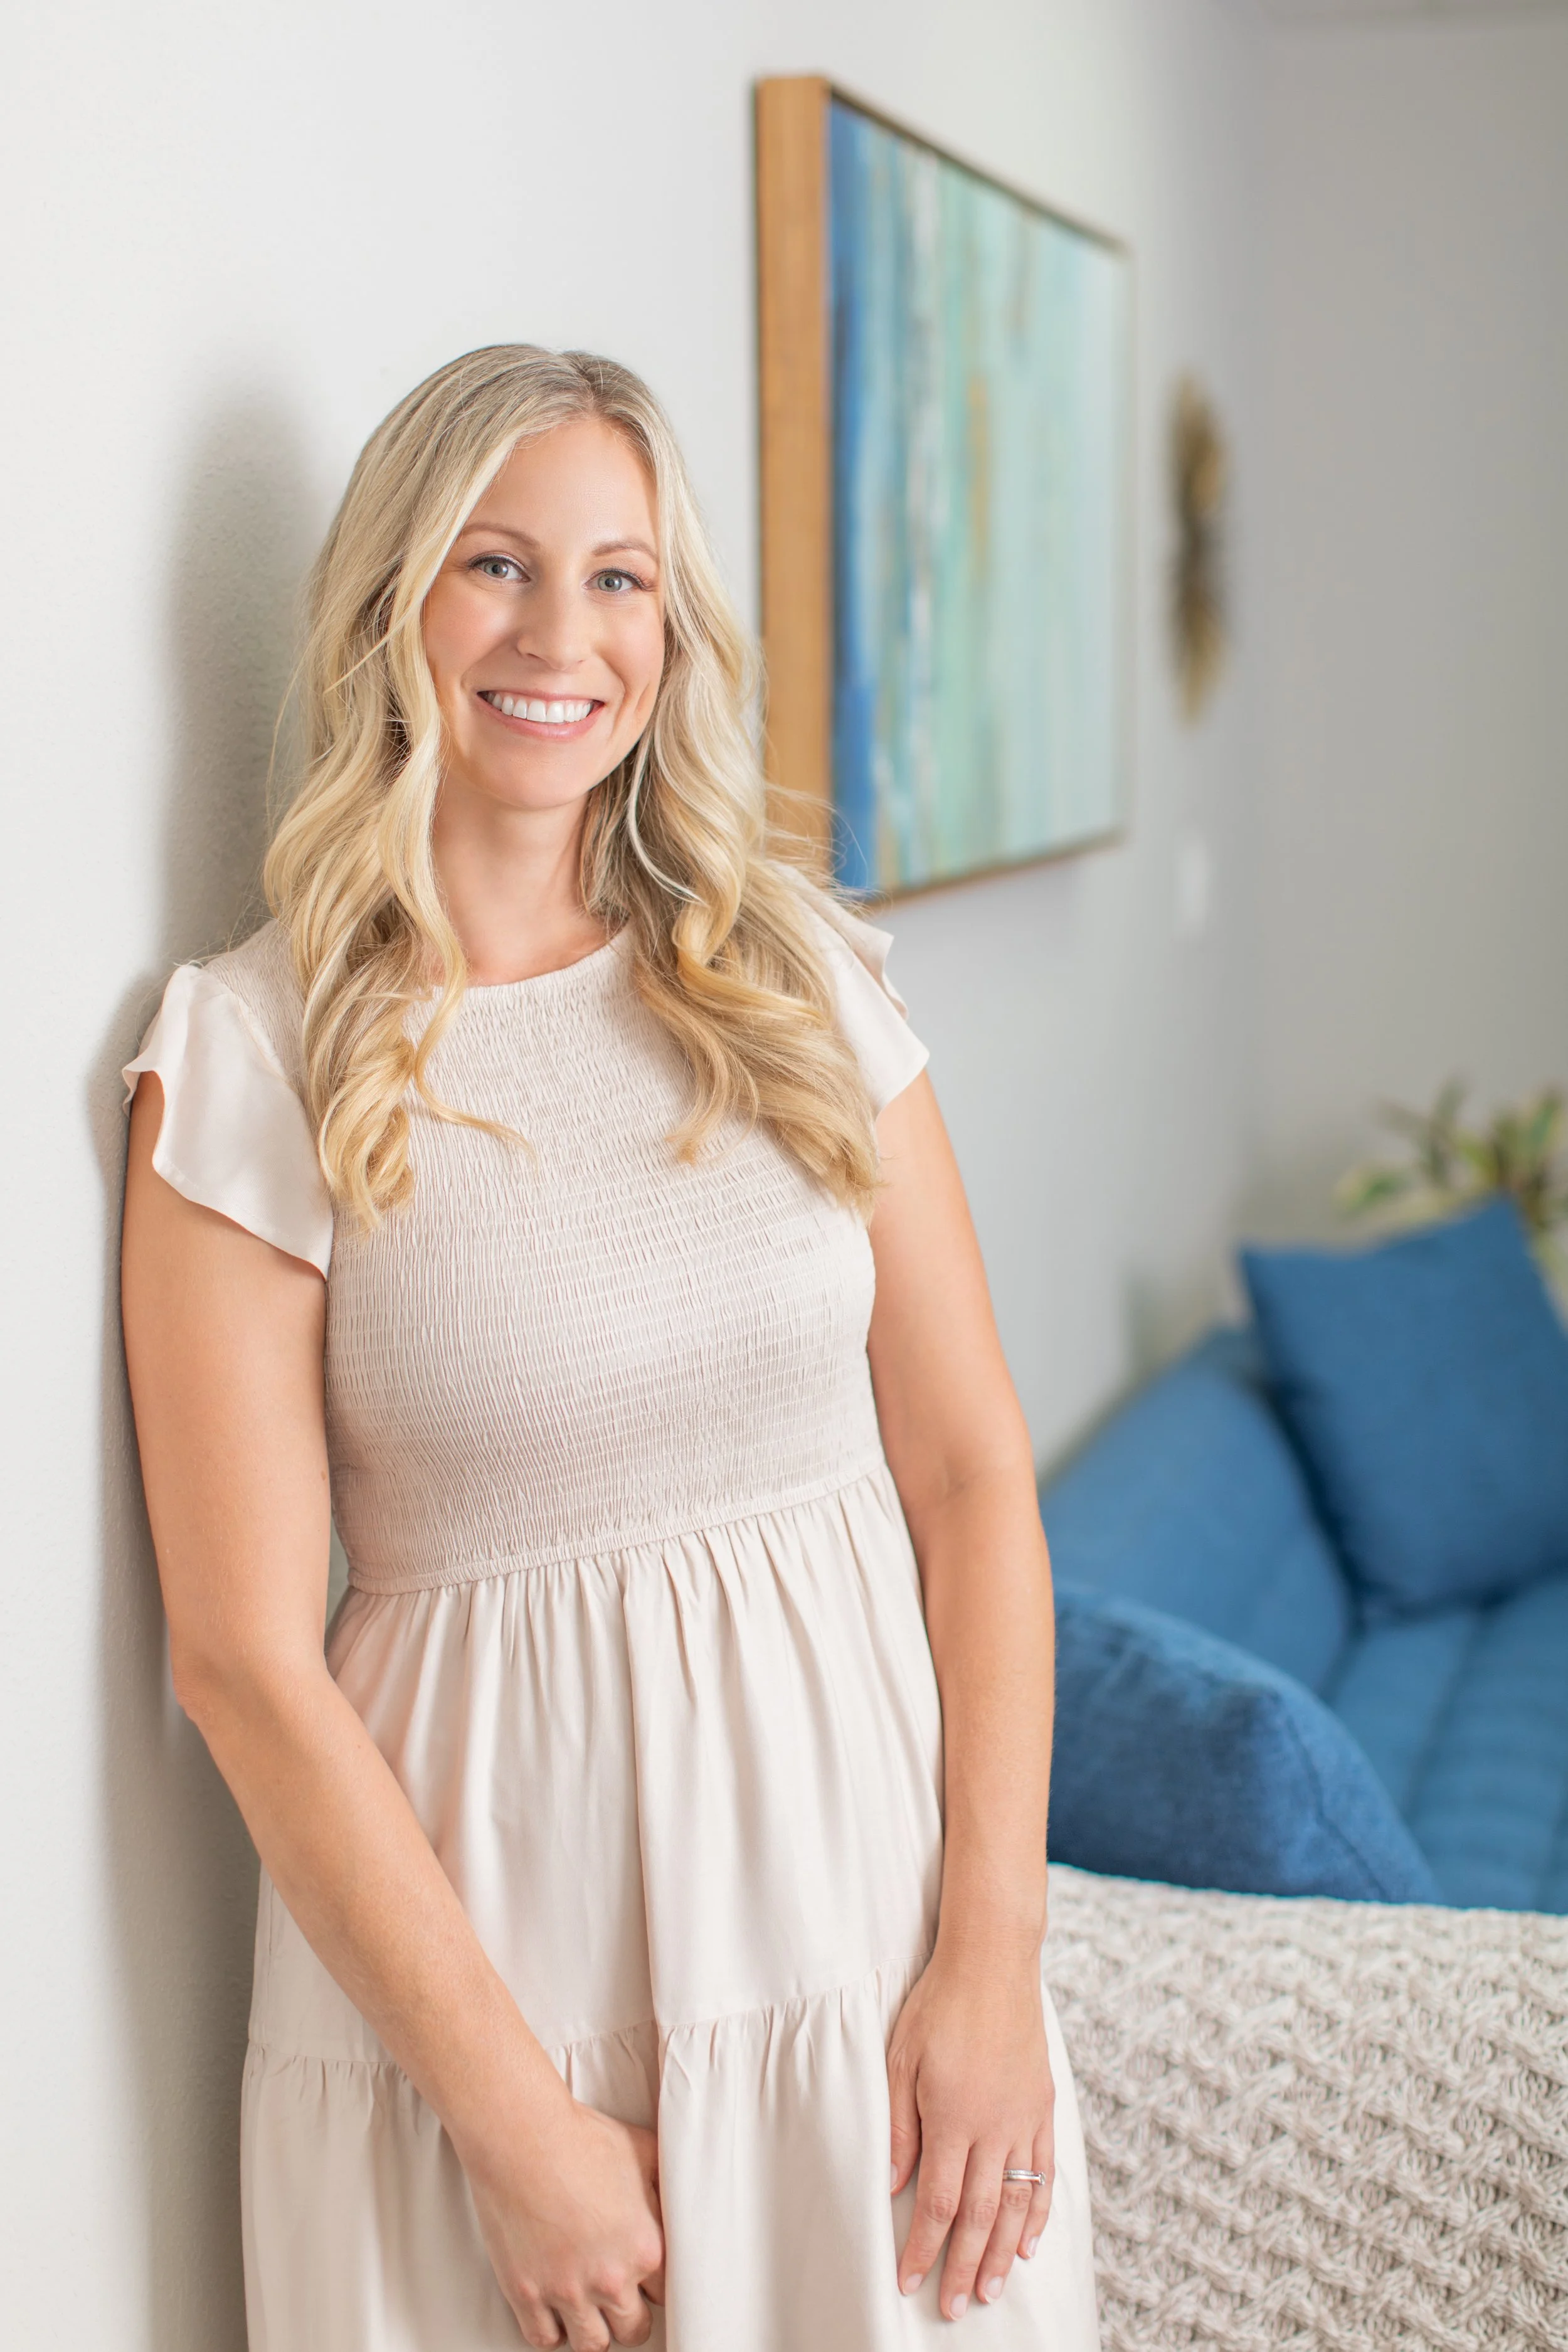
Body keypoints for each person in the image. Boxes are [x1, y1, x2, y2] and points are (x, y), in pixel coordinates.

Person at [120, 345, 1100, 2351]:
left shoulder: (800, 975)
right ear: (394, 604)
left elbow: (972, 1475)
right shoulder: (251, 1051)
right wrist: (510, 2123)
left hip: (863, 1954)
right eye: (495, 564)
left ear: (675, 622)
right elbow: (235, 1657)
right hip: (490, 2018)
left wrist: (994, 1955)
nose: (561, 635)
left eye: (620, 577)